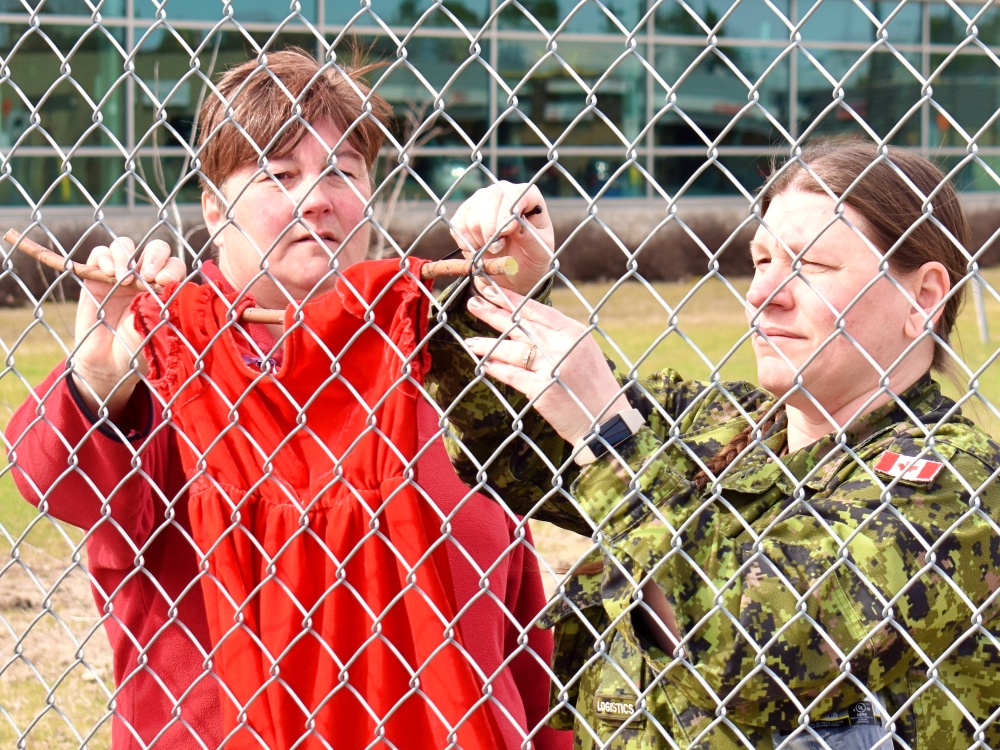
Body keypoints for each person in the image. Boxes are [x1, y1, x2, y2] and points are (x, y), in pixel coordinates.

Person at [5, 48, 570, 750]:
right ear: (214, 207)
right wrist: (98, 382)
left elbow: (523, 650)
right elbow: (55, 480)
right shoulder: (168, 362)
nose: (319, 198)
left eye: (343, 170)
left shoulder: (439, 371)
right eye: (278, 174)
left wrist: (512, 292)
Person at [432, 141, 1000, 748]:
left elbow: (747, 652)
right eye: (760, 262)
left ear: (924, 296)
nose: (762, 295)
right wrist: (512, 280)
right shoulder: (718, 422)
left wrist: (610, 436)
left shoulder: (956, 484)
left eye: (810, 264)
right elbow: (506, 439)